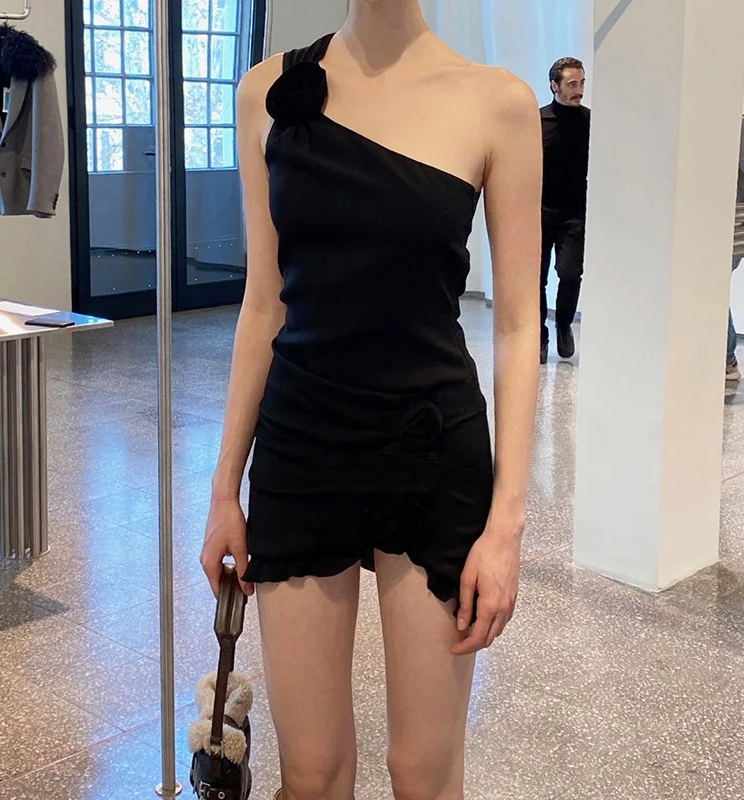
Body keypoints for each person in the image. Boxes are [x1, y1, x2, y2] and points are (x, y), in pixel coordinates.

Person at [200, 2, 541, 798]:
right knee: (311, 773)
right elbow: (264, 300)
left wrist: (507, 525)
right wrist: (223, 488)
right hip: (301, 444)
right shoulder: (265, 90)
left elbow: (519, 324)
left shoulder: (497, 101)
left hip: (432, 450)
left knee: (422, 772)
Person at [539, 57, 591, 364]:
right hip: (540, 211)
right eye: (572, 84)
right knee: (536, 278)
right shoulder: (538, 122)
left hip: (575, 213)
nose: (579, 90)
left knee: (570, 274)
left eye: (582, 83)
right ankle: (539, 336)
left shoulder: (589, 121)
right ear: (554, 85)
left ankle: (563, 325)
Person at [727, 113, 744, 382]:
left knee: (707, 288)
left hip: (728, 227)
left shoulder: (737, 124)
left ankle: (725, 358)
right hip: (685, 223)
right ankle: (725, 358)